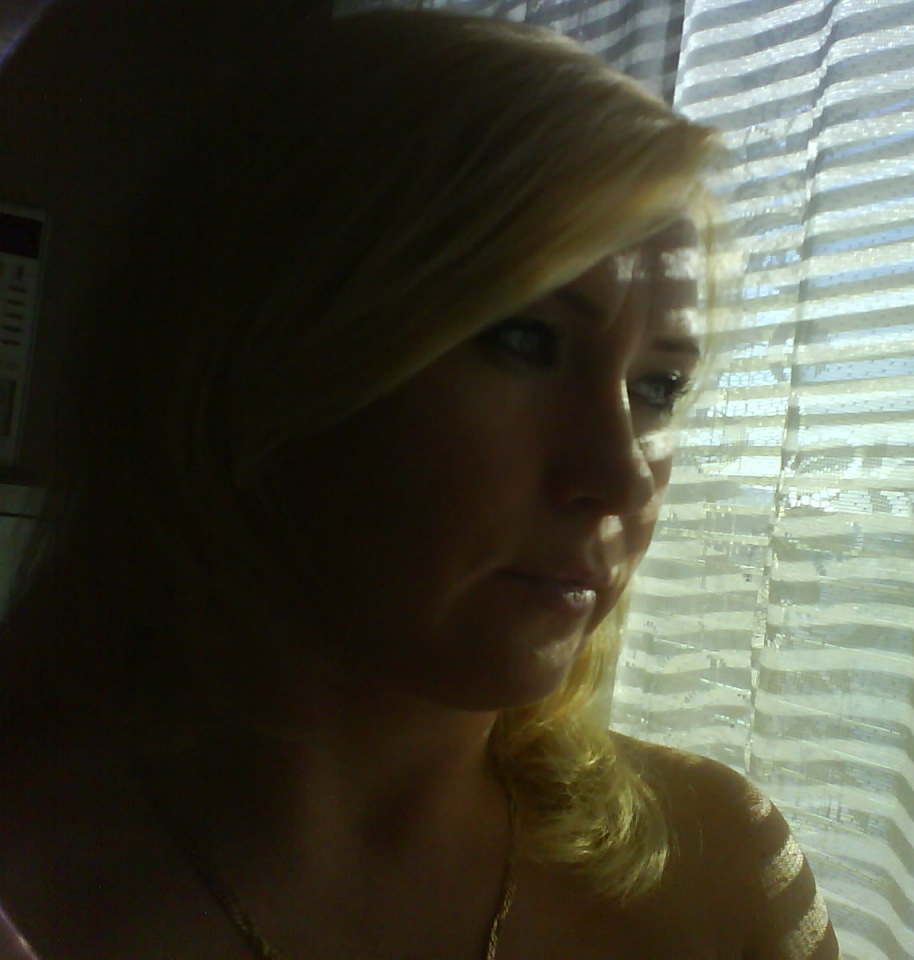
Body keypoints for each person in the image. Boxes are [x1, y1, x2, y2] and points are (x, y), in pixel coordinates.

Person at [0, 5, 839, 959]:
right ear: (264, 352)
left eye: (659, 388)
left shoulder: (720, 873)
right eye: (525, 340)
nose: (617, 476)